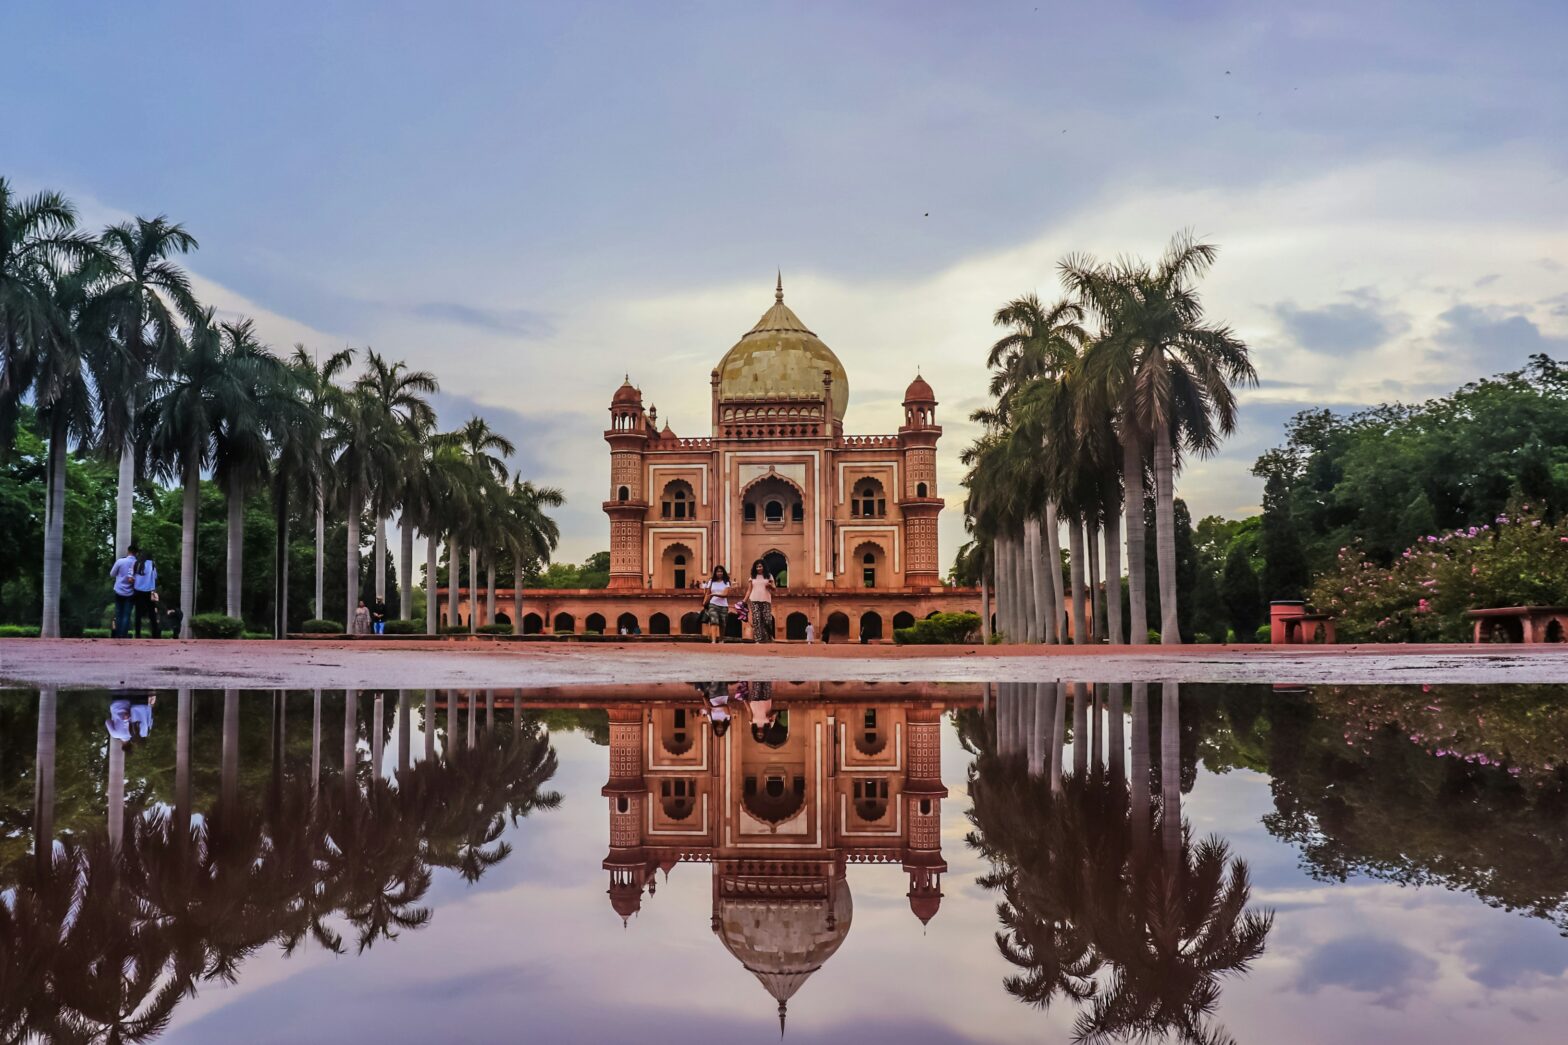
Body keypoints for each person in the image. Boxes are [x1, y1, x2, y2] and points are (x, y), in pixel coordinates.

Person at [108, 542, 138, 638]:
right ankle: (124, 635)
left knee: (119, 613)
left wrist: (120, 575)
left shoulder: (120, 561)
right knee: (126, 615)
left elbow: (112, 574)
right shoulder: (138, 564)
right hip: (131, 592)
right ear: (136, 553)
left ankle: (117, 635)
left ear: (128, 551)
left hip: (119, 590)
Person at [745, 559, 776, 643]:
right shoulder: (752, 577)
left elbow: (774, 589)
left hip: (766, 600)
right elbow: (749, 590)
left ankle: (769, 636)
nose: (759, 568)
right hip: (754, 600)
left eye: (760, 566)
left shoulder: (769, 576)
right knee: (757, 619)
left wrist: (770, 585)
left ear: (764, 567)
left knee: (767, 620)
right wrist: (744, 600)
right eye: (757, 567)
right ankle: (758, 639)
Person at [699, 566, 732, 644]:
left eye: (721, 571)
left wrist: (714, 594)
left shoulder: (726, 582)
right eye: (718, 571)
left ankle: (721, 639)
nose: (719, 573)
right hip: (713, 604)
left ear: (723, 572)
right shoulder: (711, 581)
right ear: (715, 573)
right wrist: (704, 602)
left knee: (722, 623)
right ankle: (713, 640)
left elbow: (725, 594)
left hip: (723, 605)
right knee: (714, 621)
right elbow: (707, 593)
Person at [132, 550, 160, 638]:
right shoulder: (152, 564)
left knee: (138, 614)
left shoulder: (136, 563)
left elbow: (132, 577)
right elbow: (155, 576)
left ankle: (137, 634)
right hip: (149, 591)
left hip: (137, 591)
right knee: (152, 613)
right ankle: (155, 634)